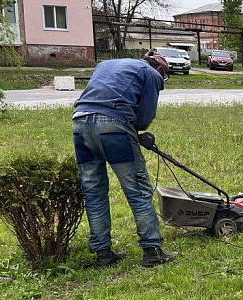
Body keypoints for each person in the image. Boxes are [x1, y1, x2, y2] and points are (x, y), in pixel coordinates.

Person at [72, 52, 178, 268]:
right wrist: (133, 129)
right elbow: (145, 118)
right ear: (161, 70)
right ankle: (151, 250)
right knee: (137, 190)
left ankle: (103, 253)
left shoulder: (106, 63)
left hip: (80, 125)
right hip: (114, 131)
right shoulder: (152, 73)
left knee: (93, 191)